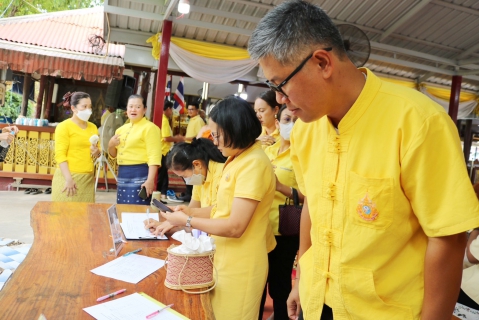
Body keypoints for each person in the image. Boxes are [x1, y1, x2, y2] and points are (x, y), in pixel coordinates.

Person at [248, 1, 479, 320]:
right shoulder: (305, 131)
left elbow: (447, 236)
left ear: (322, 63)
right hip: (317, 302)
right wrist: (302, 278)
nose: (279, 100)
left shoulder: (418, 122)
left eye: (280, 84)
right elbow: (313, 206)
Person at [161, 97, 277, 319]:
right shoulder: (236, 159)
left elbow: (235, 226)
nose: (214, 141)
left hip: (241, 263)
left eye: (217, 134)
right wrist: (190, 212)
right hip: (223, 256)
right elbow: (221, 209)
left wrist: (186, 221)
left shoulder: (253, 163)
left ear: (234, 130)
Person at [260, 105, 303, 320]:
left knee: (279, 285)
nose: (292, 125)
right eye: (287, 119)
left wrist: (279, 186)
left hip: (284, 229)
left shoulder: (301, 156)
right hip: (259, 227)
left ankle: (281, 317)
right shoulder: (265, 151)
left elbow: (309, 196)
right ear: (277, 123)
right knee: (257, 284)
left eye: (297, 120)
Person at [145, 138, 226, 236]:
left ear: (197, 164)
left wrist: (188, 214)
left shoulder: (224, 174)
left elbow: (222, 211)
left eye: (184, 176)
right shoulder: (200, 177)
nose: (186, 181)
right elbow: (192, 215)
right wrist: (168, 224)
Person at [108, 94, 162, 204]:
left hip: (140, 173)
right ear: (126, 109)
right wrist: (111, 145)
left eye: (138, 107)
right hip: (123, 173)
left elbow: (154, 156)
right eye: (130, 106)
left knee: (138, 208)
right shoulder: (120, 130)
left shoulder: (150, 128)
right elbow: (114, 155)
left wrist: (150, 179)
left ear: (144, 109)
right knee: (123, 207)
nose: (133, 109)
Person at [52, 92, 100, 202]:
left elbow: (98, 154)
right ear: (73, 108)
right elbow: (60, 155)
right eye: (84, 106)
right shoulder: (64, 127)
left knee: (85, 217)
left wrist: (96, 152)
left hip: (87, 179)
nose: (88, 110)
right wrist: (68, 179)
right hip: (67, 177)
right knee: (64, 216)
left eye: (90, 107)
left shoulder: (93, 127)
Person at [157, 101, 186, 203]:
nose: (172, 112)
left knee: (164, 174)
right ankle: (158, 194)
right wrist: (176, 138)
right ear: (168, 109)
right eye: (171, 110)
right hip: (163, 150)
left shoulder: (162, 118)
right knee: (161, 175)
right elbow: (166, 138)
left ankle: (162, 194)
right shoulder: (164, 120)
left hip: (162, 150)